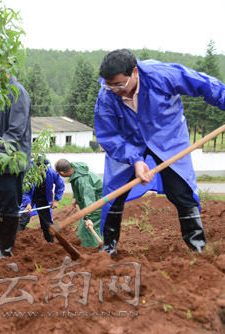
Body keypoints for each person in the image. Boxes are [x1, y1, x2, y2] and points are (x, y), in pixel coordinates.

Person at [95, 49, 225, 257]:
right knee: (114, 193)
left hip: (167, 138)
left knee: (181, 190)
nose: (115, 90)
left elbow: (202, 83)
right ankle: (108, 247)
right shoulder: (106, 95)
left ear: (135, 72)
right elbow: (109, 135)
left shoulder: (161, 75)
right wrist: (135, 161)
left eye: (119, 84)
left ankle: (198, 247)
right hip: (129, 144)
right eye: (109, 85)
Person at [0, 74, 32, 259]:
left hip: (8, 162)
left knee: (8, 206)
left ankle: (5, 249)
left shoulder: (17, 93)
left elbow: (16, 130)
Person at [55, 159, 103, 247]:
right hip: (93, 199)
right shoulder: (75, 169)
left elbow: (88, 198)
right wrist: (75, 198)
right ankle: (91, 248)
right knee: (85, 227)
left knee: (87, 228)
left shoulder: (81, 180)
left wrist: (88, 217)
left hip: (97, 202)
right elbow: (80, 190)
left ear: (62, 173)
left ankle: (94, 251)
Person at [19, 157, 65, 243]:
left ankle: (50, 242)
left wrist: (56, 200)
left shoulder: (51, 173)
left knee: (46, 223)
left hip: (44, 198)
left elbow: (60, 185)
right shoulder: (29, 174)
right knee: (22, 219)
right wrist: (27, 204)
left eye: (43, 168)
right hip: (31, 197)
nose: (41, 170)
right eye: (39, 168)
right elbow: (25, 191)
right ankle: (16, 242)